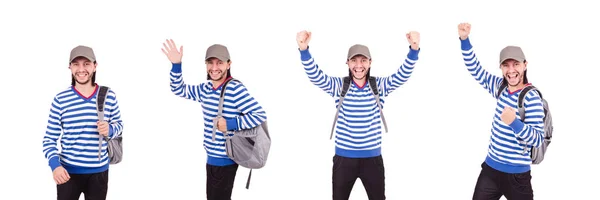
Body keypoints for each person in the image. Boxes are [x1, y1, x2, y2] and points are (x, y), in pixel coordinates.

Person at [296, 30, 421, 200]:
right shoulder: (339, 85)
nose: (358, 65)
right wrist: (304, 49)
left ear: (370, 63)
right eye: (354, 60)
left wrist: (414, 49)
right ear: (347, 63)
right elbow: (316, 76)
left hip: (372, 159)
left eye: (363, 60)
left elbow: (402, 75)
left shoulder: (379, 85)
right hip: (344, 158)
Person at [161, 39, 267, 200]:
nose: (214, 68)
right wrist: (176, 65)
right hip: (212, 157)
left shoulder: (235, 89)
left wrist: (230, 124)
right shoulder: (206, 89)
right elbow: (179, 89)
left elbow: (260, 116)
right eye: (210, 63)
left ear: (229, 64)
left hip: (226, 160)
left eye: (220, 63)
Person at [457, 23, 546, 200]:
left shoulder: (531, 97)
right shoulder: (500, 87)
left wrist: (514, 122)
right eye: (506, 65)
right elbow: (475, 69)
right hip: (490, 171)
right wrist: (464, 40)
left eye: (516, 64)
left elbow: (538, 139)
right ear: (501, 68)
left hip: (517, 177)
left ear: (525, 65)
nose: (511, 70)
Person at [42, 45, 124, 200]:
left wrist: (110, 129)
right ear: (70, 67)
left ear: (95, 66)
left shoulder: (108, 95)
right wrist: (55, 166)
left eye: (86, 64)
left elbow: (119, 125)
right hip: (67, 173)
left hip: (99, 173)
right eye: (76, 64)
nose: (81, 69)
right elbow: (49, 139)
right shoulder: (61, 99)